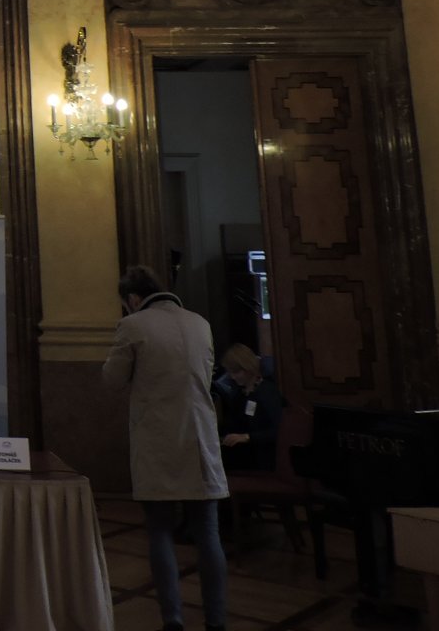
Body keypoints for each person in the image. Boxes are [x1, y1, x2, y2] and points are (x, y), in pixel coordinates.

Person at [104, 265, 228, 631]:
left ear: (132, 299)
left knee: (159, 530)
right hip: (200, 438)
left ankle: (172, 619)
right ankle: (217, 620)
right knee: (208, 534)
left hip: (158, 440)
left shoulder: (133, 326)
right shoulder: (200, 323)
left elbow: (112, 380)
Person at [216, 343, 282, 473]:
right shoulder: (239, 393)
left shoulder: (267, 392)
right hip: (243, 454)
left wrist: (247, 437)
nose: (233, 377)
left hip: (262, 457)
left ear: (248, 367)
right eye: (230, 373)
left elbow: (278, 431)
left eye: (236, 372)